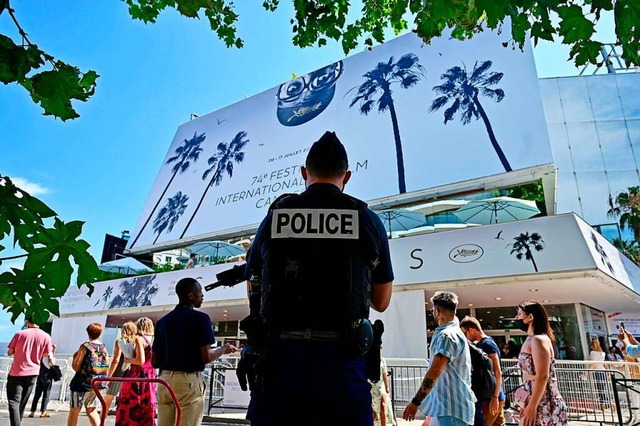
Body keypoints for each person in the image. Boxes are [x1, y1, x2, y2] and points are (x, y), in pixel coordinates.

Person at [244, 131, 394, 425]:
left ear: (303, 173)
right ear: (347, 176)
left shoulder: (275, 216)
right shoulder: (366, 219)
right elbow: (381, 301)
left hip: (279, 367)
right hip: (342, 370)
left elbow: (253, 284)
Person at [152, 278, 237, 426]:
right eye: (200, 292)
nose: (202, 295)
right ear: (191, 295)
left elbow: (154, 362)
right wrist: (224, 349)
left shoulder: (163, 322)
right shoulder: (201, 319)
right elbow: (206, 357)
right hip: (188, 383)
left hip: (164, 381)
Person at [403, 291, 475, 426]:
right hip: (447, 408)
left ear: (437, 312)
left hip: (450, 409)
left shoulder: (446, 336)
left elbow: (435, 371)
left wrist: (415, 402)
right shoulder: (455, 332)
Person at [513, 301, 567, 426]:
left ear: (530, 317)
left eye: (520, 314)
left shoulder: (538, 340)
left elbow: (542, 376)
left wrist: (532, 406)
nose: (516, 318)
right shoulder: (531, 339)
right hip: (535, 399)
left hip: (543, 402)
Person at [6, 317, 53, 426]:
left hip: (17, 372)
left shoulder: (20, 334)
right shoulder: (46, 336)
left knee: (14, 401)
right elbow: (46, 354)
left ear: (28, 322)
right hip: (33, 372)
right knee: (22, 402)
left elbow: (10, 351)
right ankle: (18, 422)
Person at [460, 316, 506, 426]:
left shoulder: (486, 345)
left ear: (471, 330)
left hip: (490, 397)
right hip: (496, 395)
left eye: (465, 333)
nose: (465, 337)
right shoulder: (487, 342)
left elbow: (497, 371)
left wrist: (494, 397)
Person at [116, 317, 158, 425]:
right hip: (150, 376)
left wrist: (128, 360)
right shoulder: (153, 340)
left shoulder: (139, 339)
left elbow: (140, 360)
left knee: (130, 407)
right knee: (146, 408)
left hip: (137, 376)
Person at [67, 322, 110, 426]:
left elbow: (76, 367)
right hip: (95, 383)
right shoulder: (104, 348)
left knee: (74, 410)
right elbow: (106, 366)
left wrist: (74, 358)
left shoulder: (85, 346)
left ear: (88, 333)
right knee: (91, 409)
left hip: (80, 383)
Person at [104, 322, 138, 415]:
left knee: (107, 401)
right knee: (125, 403)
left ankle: (100, 422)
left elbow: (116, 359)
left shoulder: (120, 341)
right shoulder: (137, 342)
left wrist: (108, 377)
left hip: (118, 374)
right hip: (130, 374)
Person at [29, 343, 57, 418]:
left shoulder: (40, 352)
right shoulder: (49, 352)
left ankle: (32, 411)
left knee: (37, 394)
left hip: (40, 373)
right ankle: (43, 411)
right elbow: (51, 362)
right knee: (46, 394)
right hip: (47, 375)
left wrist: (54, 350)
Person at [370, 356, 396, 426]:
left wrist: (387, 386)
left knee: (383, 406)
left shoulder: (382, 360)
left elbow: (384, 373)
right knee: (373, 411)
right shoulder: (366, 359)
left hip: (381, 387)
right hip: (370, 387)